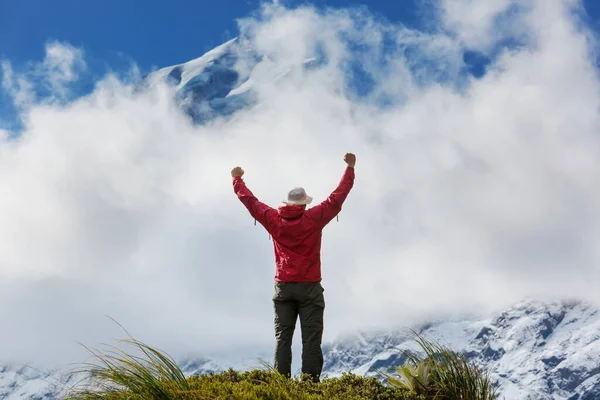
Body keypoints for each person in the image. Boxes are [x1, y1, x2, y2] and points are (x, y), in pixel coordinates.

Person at [231, 153, 356, 383]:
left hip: (283, 287)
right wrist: (349, 167)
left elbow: (251, 202)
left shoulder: (273, 219)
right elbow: (337, 198)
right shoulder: (314, 219)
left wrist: (237, 180)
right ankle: (309, 386)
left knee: (283, 338)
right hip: (310, 288)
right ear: (304, 203)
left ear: (287, 204)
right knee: (311, 340)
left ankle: (281, 386)